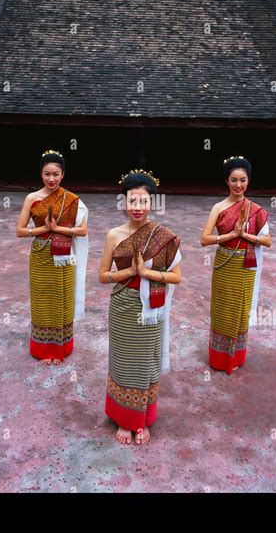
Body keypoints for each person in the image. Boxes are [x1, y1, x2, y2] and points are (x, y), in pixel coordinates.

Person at [99, 170, 181, 445]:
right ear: (123, 202)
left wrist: (149, 275)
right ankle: (124, 419)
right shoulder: (113, 235)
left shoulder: (164, 236)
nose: (138, 207)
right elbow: (103, 276)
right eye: (132, 201)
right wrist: (129, 273)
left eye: (143, 201)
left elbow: (176, 276)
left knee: (146, 363)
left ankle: (141, 417)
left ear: (152, 204)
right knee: (123, 362)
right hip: (123, 306)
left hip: (151, 309)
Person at [16, 149, 88, 365]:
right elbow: (20, 230)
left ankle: (61, 348)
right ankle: (43, 348)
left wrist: (58, 229)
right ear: (41, 174)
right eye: (47, 174)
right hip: (40, 256)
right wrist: (42, 230)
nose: (51, 179)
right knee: (42, 301)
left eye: (56, 174)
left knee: (62, 301)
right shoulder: (32, 198)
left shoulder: (72, 199)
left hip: (64, 257)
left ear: (63, 174)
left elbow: (82, 230)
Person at [200, 156, 271, 374]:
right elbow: (204, 239)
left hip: (246, 267)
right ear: (227, 181)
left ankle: (237, 356)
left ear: (248, 181)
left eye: (242, 180)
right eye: (234, 180)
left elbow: (267, 241)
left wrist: (247, 235)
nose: (238, 185)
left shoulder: (255, 210)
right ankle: (220, 359)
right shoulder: (218, 208)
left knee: (241, 310)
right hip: (224, 264)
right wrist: (231, 234)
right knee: (223, 310)